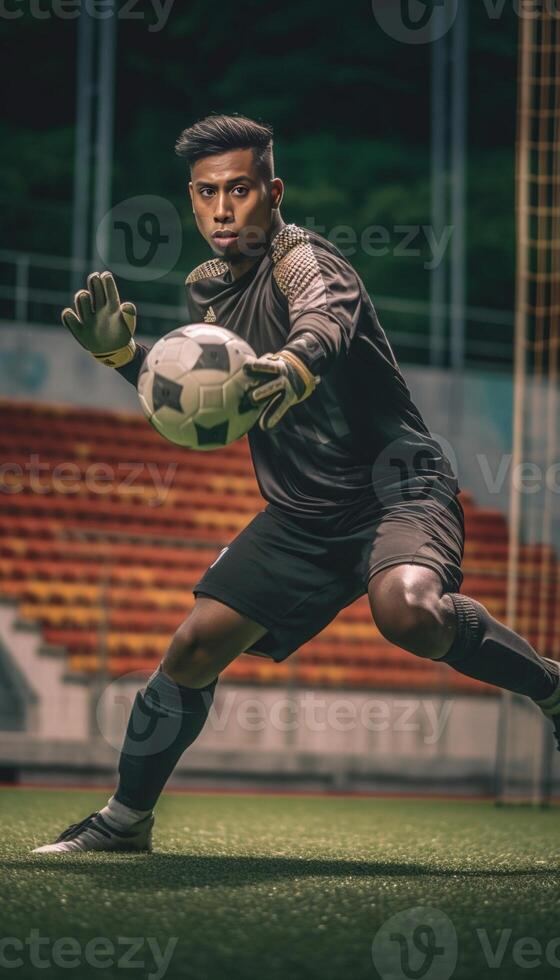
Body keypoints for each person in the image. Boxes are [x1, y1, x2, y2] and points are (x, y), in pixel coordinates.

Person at [34, 114, 560, 855]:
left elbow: (325, 321)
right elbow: (208, 407)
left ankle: (551, 686)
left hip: (396, 491)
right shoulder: (207, 291)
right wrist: (124, 358)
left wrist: (292, 362)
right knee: (191, 649)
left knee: (408, 613)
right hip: (301, 517)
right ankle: (125, 822)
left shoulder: (304, 258)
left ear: (271, 192)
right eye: (207, 193)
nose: (223, 209)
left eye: (240, 190)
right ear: (191, 199)